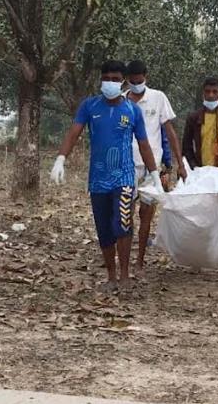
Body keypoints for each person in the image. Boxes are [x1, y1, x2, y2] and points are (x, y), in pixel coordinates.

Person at [50, 60, 164, 292]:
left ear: (122, 82)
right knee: (104, 229)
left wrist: (155, 175)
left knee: (122, 225)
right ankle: (111, 276)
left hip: (123, 179)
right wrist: (61, 158)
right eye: (107, 78)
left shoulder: (132, 110)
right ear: (101, 80)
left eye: (115, 79)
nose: (110, 83)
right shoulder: (89, 106)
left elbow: (144, 144)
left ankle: (124, 276)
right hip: (97, 180)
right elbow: (74, 133)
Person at [124, 60, 186, 275]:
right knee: (126, 215)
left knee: (146, 215)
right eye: (132, 82)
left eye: (139, 81)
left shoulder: (158, 98)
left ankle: (139, 260)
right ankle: (124, 259)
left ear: (145, 77)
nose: (135, 84)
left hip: (153, 168)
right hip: (127, 167)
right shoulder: (121, 101)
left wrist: (178, 164)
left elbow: (170, 133)